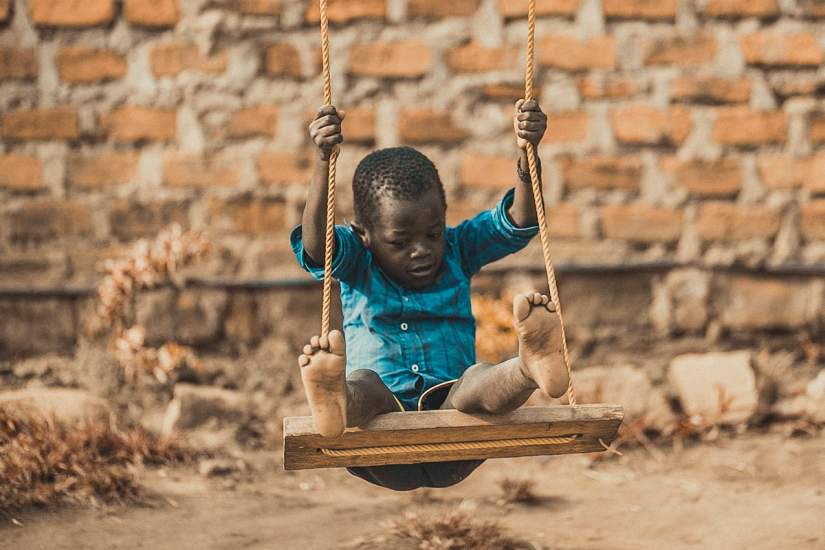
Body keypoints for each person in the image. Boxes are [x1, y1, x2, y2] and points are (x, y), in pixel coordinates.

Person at [290, 99, 568, 491]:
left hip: (458, 427)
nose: (421, 250)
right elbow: (317, 249)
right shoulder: (358, 262)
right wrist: (322, 160)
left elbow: (520, 220)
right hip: (378, 436)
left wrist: (528, 155)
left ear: (444, 219)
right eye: (400, 241)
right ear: (363, 234)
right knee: (366, 384)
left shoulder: (459, 249)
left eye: (432, 234)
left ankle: (528, 368)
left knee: (475, 380)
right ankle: (338, 400)